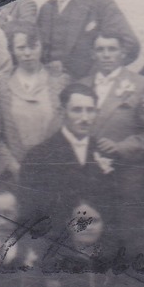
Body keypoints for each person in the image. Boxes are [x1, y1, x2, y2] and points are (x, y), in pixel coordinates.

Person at [84, 30, 144, 209]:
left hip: (125, 177)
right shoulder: (81, 85)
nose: (106, 55)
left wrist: (121, 147)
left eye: (112, 49)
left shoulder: (142, 85)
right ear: (92, 54)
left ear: (123, 52)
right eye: (100, 50)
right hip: (87, 177)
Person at [34, 0, 139, 80]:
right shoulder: (45, 10)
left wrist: (96, 77)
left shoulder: (99, 3)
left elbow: (130, 45)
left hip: (88, 89)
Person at [20, 86, 117, 228]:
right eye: (77, 110)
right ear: (61, 112)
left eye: (90, 110)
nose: (85, 118)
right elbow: (31, 211)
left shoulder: (106, 153)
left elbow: (114, 209)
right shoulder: (39, 156)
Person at [0, 29, 65, 179]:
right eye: (21, 47)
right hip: (13, 170)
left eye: (33, 46)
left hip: (54, 169)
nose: (27, 53)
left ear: (41, 47)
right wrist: (11, 164)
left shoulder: (61, 81)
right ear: (12, 49)